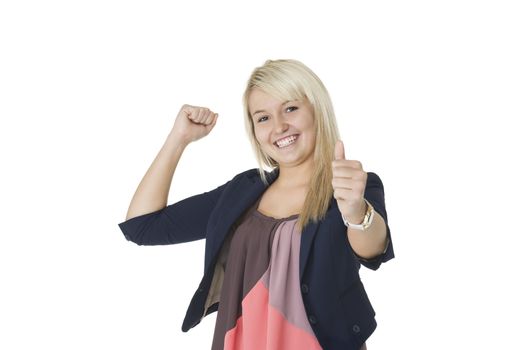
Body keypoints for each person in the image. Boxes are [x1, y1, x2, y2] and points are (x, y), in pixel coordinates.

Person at [118, 59, 394, 350]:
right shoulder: (242, 193)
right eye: (263, 118)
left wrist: (355, 212)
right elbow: (142, 226)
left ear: (317, 109)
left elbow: (374, 248)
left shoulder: (352, 187)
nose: (279, 126)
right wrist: (178, 139)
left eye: (291, 108)